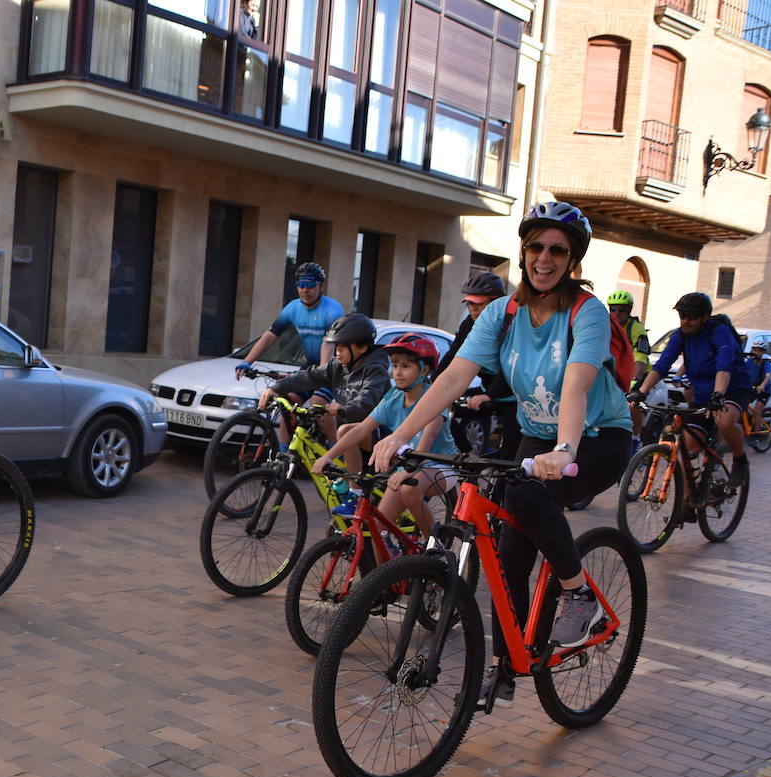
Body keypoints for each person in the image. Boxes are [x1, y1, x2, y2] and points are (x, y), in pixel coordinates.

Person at [369, 201, 632, 705]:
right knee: (508, 549)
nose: (544, 258)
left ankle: (578, 593)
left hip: (596, 439)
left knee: (527, 496)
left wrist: (566, 447)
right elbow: (451, 378)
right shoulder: (502, 313)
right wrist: (399, 433)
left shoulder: (587, 312)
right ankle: (505, 663)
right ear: (524, 252)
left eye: (558, 250)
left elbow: (576, 386)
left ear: (572, 257)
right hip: (536, 436)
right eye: (536, 247)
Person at [313, 332, 455, 538]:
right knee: (377, 531)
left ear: (424, 369)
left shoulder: (433, 397)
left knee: (408, 489)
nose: (397, 372)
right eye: (395, 365)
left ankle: (435, 546)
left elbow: (429, 437)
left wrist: (409, 471)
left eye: (405, 366)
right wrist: (329, 455)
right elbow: (362, 428)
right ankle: (391, 567)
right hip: (406, 469)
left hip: (440, 466)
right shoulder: (394, 396)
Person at [630, 292, 754, 487]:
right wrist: (642, 391)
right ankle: (687, 503)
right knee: (687, 447)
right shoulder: (680, 335)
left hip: (732, 387)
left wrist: (719, 394)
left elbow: (724, 365)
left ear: (705, 317)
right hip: (704, 392)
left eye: (692, 317)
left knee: (724, 420)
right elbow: (662, 365)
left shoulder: (719, 331)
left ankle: (740, 461)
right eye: (682, 316)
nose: (686, 321)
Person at [237, 262, 347, 440]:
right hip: (311, 365)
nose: (305, 290)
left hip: (332, 368)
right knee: (287, 401)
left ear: (321, 286)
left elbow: (329, 344)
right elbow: (270, 336)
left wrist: (321, 373)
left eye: (310, 284)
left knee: (318, 404)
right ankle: (284, 453)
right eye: (301, 285)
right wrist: (246, 361)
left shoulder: (332, 309)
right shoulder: (293, 308)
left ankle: (337, 451)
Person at [256, 313, 390, 456]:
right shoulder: (337, 366)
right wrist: (275, 388)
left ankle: (350, 478)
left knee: (348, 461)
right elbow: (309, 376)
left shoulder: (376, 372)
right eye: (336, 346)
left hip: (376, 437)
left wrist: (344, 409)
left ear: (362, 347)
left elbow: (366, 400)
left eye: (343, 347)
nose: (337, 352)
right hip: (349, 434)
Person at [438, 272, 521, 459]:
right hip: (487, 389)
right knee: (444, 412)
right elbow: (453, 355)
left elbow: (510, 365)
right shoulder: (469, 324)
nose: (473, 309)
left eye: (479, 304)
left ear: (496, 303)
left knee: (511, 455)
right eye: (470, 304)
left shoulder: (512, 325)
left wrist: (489, 395)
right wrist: (432, 381)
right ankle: (470, 456)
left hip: (513, 395)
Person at [605, 290, 651, 452]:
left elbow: (640, 358)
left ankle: (636, 438)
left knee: (632, 404)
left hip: (638, 373)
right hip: (615, 372)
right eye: (613, 309)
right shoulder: (606, 326)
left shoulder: (636, 329)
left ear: (629, 310)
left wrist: (634, 380)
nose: (616, 313)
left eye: (621, 310)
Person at [749, 335, 771, 428]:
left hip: (764, 391)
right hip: (752, 389)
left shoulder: (766, 362)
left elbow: (768, 375)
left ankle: (756, 436)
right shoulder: (750, 361)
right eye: (755, 350)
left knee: (757, 411)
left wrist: (762, 385)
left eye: (760, 351)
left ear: (763, 352)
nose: (757, 353)